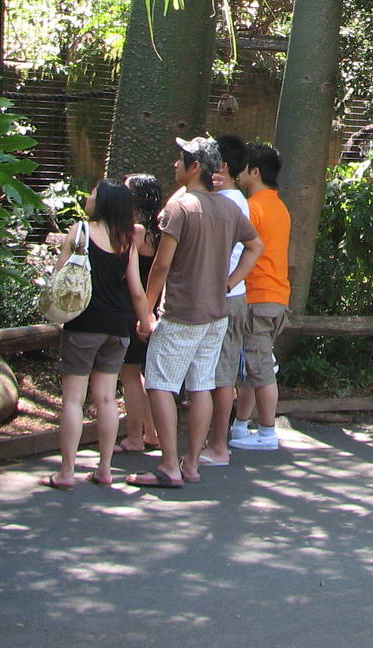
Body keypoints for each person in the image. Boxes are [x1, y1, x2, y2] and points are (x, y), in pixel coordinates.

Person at [125, 137, 264, 488]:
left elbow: (161, 265)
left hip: (181, 312)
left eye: (180, 160)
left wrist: (147, 311)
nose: (175, 165)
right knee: (201, 384)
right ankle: (190, 464)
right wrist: (230, 282)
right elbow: (255, 246)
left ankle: (169, 465)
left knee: (159, 384)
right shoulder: (228, 208)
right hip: (216, 313)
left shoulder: (181, 207)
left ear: (195, 167)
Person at [42, 179, 148, 489]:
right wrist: (144, 322)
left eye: (93, 194)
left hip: (84, 324)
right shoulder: (127, 239)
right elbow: (136, 289)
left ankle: (66, 472)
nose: (89, 198)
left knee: (74, 400)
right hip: (118, 328)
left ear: (101, 203)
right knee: (106, 398)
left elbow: (60, 274)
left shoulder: (80, 232)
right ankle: (104, 468)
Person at [198, 134, 261, 466]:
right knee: (214, 373)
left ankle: (219, 445)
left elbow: (253, 248)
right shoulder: (227, 197)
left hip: (226, 298)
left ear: (221, 165)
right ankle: (211, 441)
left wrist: (229, 283)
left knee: (222, 375)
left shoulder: (229, 200)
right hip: (225, 296)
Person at [230, 140, 291, 452]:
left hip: (258, 296)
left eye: (243, 167)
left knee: (259, 366)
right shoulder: (279, 207)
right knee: (252, 366)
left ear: (254, 171)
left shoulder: (253, 208)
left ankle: (267, 432)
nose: (238, 173)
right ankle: (241, 425)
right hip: (276, 296)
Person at [117, 172, 164, 454]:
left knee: (131, 374)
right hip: (154, 309)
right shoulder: (161, 231)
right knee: (145, 375)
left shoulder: (135, 232)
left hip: (134, 310)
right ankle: (151, 432)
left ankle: (135, 436)